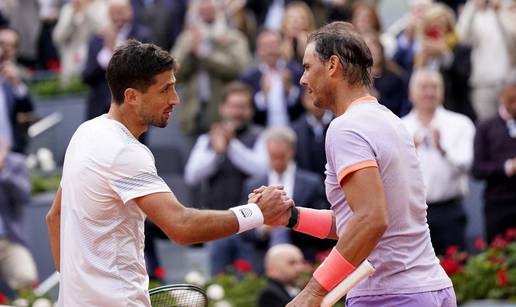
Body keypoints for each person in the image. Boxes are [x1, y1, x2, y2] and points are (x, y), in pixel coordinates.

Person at [46, 39, 293, 306]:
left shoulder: (85, 133)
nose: (175, 99)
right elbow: (182, 227)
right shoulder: (125, 151)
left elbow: (54, 216)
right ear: (131, 96)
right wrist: (256, 213)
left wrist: (74, 286)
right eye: (165, 90)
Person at [252, 21, 455, 306]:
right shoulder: (388, 120)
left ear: (333, 65)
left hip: (390, 295)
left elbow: (371, 220)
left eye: (308, 67)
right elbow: (360, 222)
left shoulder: (346, 128)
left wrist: (314, 290)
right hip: (429, 289)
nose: (302, 79)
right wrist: (292, 217)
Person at [184, 81, 268, 275]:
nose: (237, 112)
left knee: (249, 285)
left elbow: (261, 170)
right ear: (222, 108)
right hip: (216, 223)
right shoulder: (207, 139)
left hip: (250, 226)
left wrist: (231, 145)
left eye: (243, 107)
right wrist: (216, 152)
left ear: (250, 110)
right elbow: (192, 176)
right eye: (233, 106)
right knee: (216, 284)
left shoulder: (260, 136)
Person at [402, 69, 475, 255]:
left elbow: (468, 165)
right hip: (411, 214)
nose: (429, 92)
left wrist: (443, 149)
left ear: (442, 91)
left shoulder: (460, 123)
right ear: (411, 94)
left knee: (457, 269)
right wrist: (410, 151)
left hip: (449, 209)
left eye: (434, 87)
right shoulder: (399, 127)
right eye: (423, 87)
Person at [243, 126, 329, 273]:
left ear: (291, 152)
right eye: (272, 156)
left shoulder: (311, 183)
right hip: (263, 261)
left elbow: (323, 224)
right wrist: (263, 229)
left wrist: (290, 221)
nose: (277, 161)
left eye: (281, 156)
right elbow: (244, 229)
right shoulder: (252, 184)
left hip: (303, 258)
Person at [472, 70, 516, 243]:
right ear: (501, 95)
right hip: (498, 206)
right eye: (511, 100)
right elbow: (477, 169)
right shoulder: (486, 127)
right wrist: (508, 167)